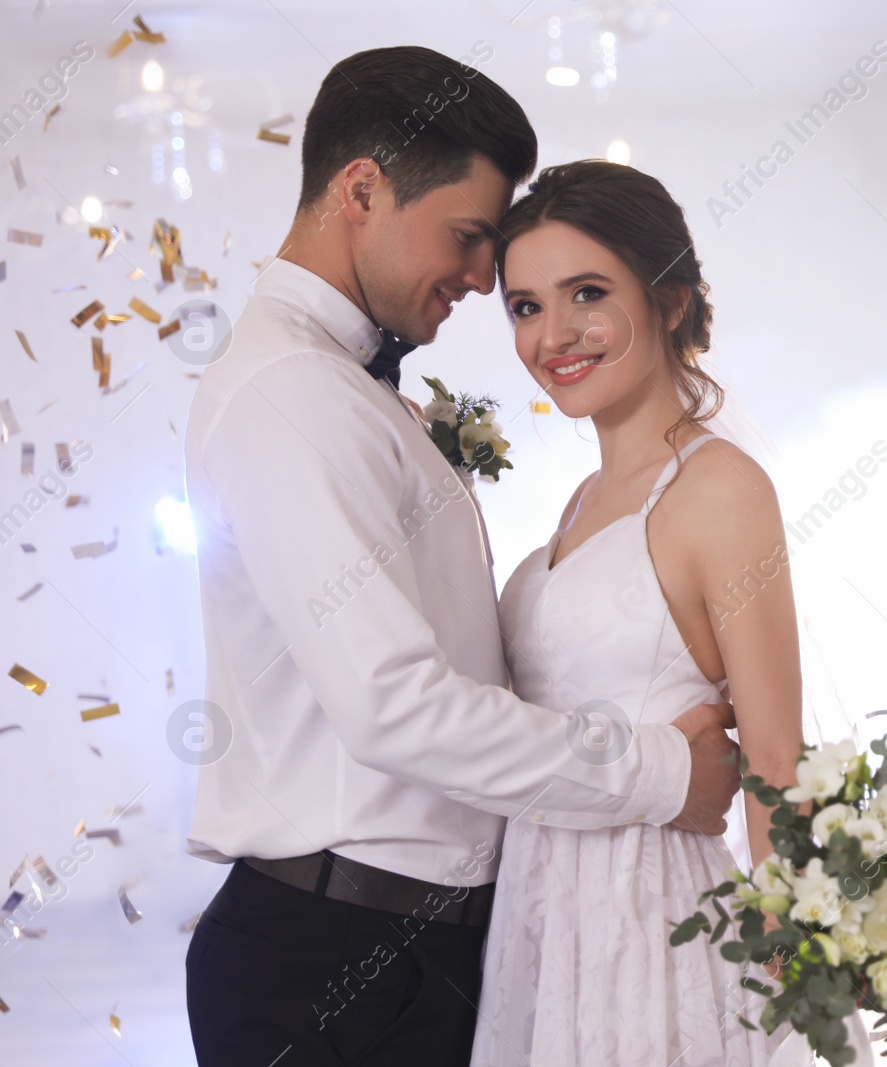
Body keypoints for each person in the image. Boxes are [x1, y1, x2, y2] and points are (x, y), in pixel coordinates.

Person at [182, 48, 741, 1067]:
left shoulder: (348, 390)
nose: (486, 279)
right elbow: (395, 702)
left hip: (407, 949)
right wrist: (664, 770)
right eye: (471, 237)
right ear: (362, 189)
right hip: (333, 968)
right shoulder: (288, 393)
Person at [468, 160, 809, 1066]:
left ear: (668, 300)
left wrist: (789, 949)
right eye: (525, 305)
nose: (553, 334)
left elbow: (775, 754)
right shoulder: (582, 497)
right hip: (541, 917)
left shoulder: (719, 488)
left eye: (587, 293)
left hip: (653, 916)